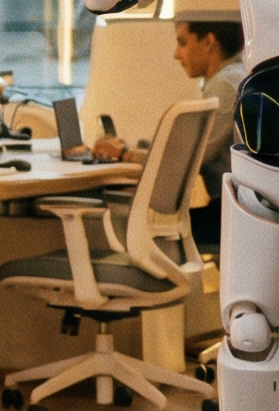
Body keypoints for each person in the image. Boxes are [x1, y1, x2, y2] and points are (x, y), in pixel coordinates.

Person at [88, 18, 245, 247]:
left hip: (227, 216)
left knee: (110, 224)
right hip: (232, 210)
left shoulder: (226, 86)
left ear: (208, 41)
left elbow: (183, 161)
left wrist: (124, 154)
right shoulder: (233, 77)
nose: (176, 54)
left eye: (182, 43)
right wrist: (134, 150)